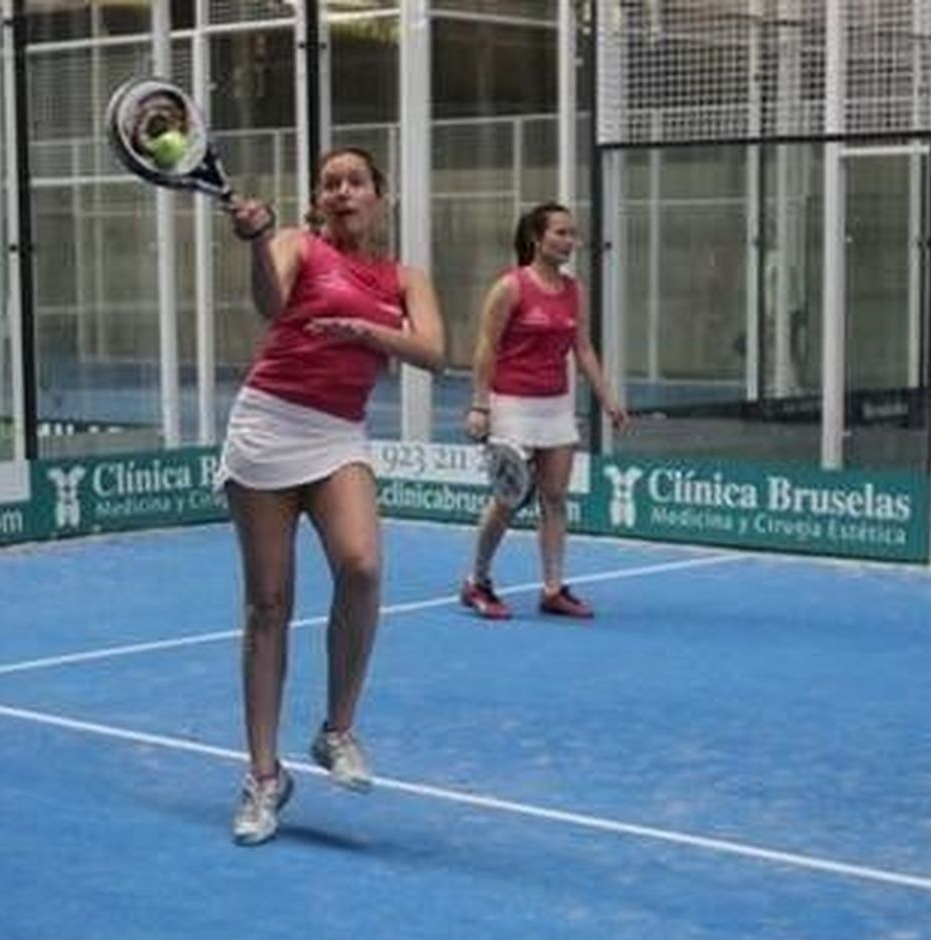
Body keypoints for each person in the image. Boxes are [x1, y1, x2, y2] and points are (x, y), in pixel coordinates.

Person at [220, 148, 445, 846]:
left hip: (337, 435)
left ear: (381, 196)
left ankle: (336, 730)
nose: (342, 191)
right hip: (268, 425)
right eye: (330, 183)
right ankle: (263, 778)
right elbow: (270, 303)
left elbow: (434, 351)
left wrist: (364, 331)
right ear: (318, 199)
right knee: (268, 605)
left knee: (362, 566)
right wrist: (259, 241)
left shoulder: (407, 278)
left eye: (356, 182)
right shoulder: (296, 245)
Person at [460, 202, 627, 621]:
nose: (571, 241)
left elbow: (582, 348)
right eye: (561, 233)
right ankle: (476, 581)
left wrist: (607, 397)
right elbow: (486, 347)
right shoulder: (510, 287)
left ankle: (553, 589)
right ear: (538, 238)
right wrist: (480, 405)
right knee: (507, 498)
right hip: (511, 404)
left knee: (554, 498)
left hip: (556, 406)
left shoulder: (575, 291)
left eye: (573, 234)